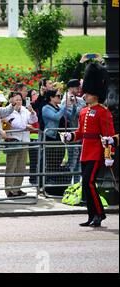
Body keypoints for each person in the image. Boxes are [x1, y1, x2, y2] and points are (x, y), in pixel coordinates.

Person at [63, 63, 115, 227]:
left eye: (89, 93)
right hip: (86, 150)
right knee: (86, 184)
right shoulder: (84, 111)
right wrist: (70, 136)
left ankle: (99, 213)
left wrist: (109, 155)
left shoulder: (103, 112)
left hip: (97, 152)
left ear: (96, 95)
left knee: (89, 182)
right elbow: (80, 132)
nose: (85, 95)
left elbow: (108, 135)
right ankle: (92, 215)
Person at [3, 92, 38, 197]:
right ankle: (9, 190)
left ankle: (17, 189)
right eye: (16, 99)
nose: (18, 101)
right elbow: (14, 124)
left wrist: (32, 112)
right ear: (11, 101)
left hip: (24, 140)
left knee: (21, 166)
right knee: (11, 165)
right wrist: (27, 126)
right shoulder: (7, 111)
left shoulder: (24, 109)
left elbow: (34, 120)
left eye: (20, 99)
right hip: (14, 140)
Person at [42, 89, 75, 186]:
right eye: (58, 96)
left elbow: (71, 117)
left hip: (60, 138)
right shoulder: (46, 108)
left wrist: (73, 105)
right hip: (51, 137)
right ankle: (48, 183)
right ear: (51, 97)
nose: (60, 98)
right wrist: (65, 106)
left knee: (59, 159)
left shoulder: (60, 107)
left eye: (60, 96)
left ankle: (56, 182)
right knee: (51, 161)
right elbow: (56, 117)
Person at [61, 79, 86, 184]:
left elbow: (85, 109)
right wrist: (75, 105)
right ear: (71, 88)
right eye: (77, 88)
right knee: (72, 161)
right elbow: (71, 117)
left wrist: (78, 103)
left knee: (80, 162)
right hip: (72, 135)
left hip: (81, 134)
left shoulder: (80, 99)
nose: (79, 89)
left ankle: (76, 185)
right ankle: (70, 185)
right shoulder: (64, 101)